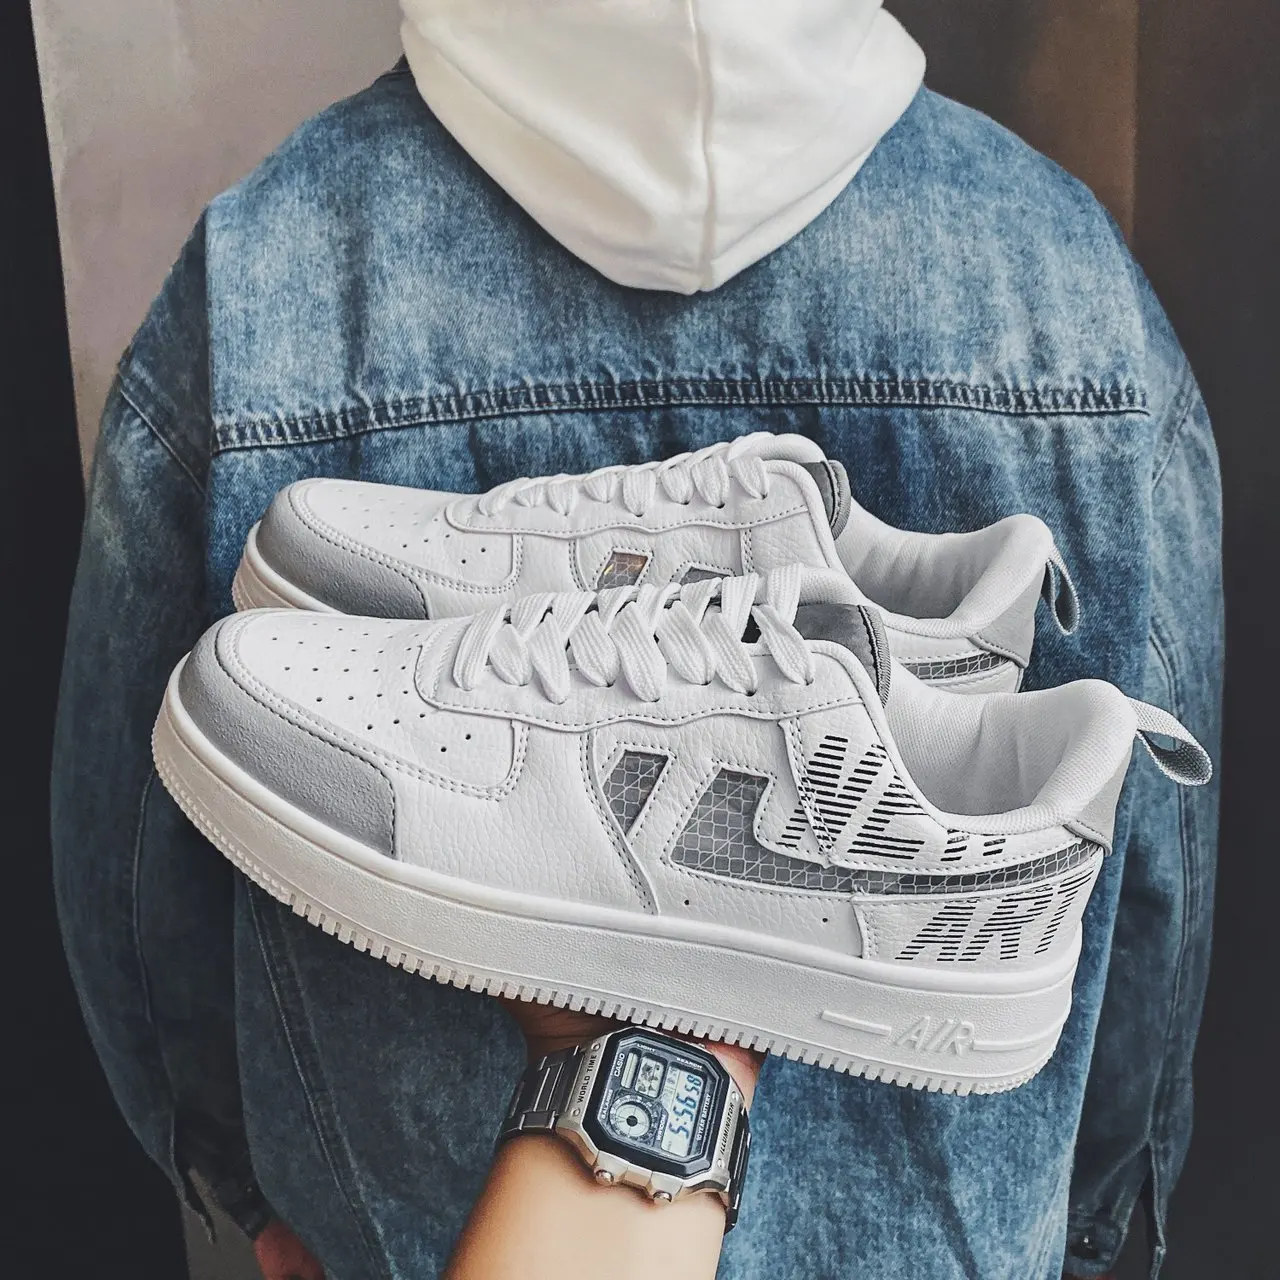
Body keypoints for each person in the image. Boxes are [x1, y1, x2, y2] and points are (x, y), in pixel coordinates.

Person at [52, 3, 1222, 1277]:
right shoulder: (1070, 272)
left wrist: (246, 1186)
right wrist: (1087, 1216)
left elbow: (136, 886)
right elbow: (1151, 908)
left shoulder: (260, 265)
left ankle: (784, 791)